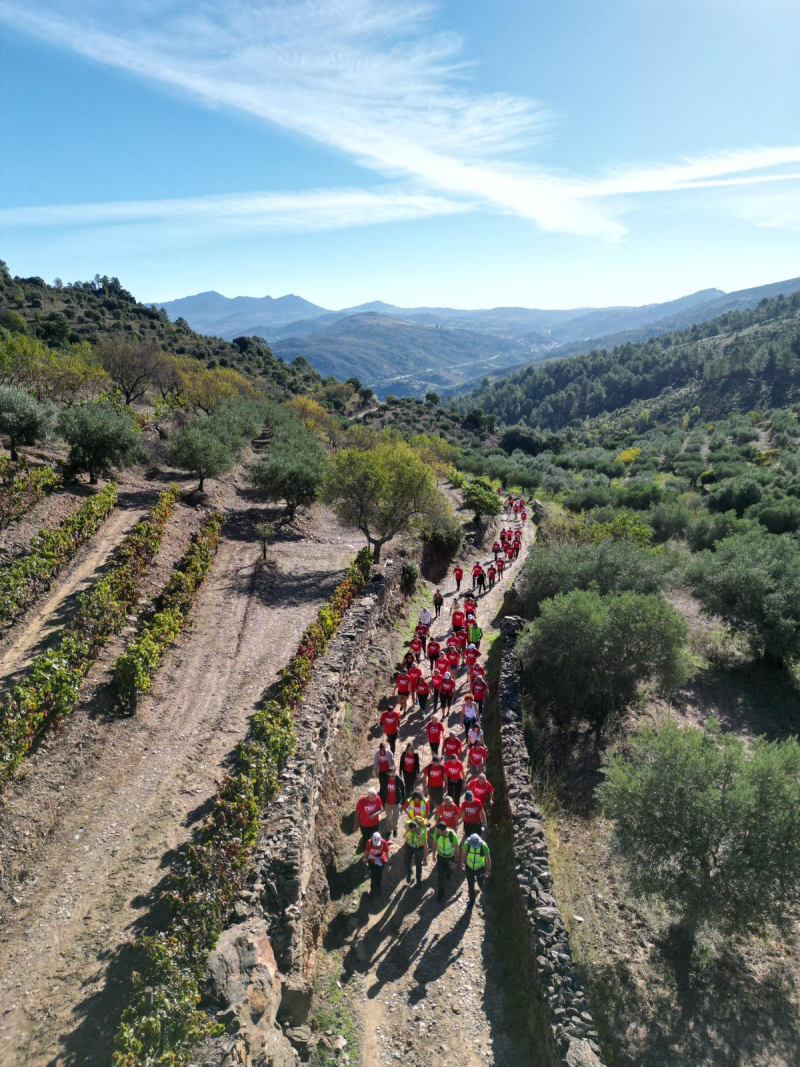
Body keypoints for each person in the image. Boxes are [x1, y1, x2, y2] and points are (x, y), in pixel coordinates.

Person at [460, 832, 491, 907]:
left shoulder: (483, 846)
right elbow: (463, 853)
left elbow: (488, 858)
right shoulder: (467, 844)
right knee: (470, 885)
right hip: (469, 867)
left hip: (480, 868)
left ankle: (481, 884)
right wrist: (462, 863)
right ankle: (471, 902)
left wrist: (488, 870)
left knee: (480, 882)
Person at [432, 820, 460, 901]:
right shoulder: (437, 834)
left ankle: (448, 873)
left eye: (438, 831)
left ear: (443, 830)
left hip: (450, 857)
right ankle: (441, 894)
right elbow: (434, 844)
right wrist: (433, 855)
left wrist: (455, 862)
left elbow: (456, 849)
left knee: (450, 870)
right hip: (440, 857)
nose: (437, 832)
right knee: (440, 876)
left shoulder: (452, 835)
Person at [404, 816, 428, 886]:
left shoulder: (421, 833)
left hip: (418, 848)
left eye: (412, 830)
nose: (410, 831)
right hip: (409, 845)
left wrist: (425, 858)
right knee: (406, 861)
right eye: (409, 830)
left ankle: (418, 880)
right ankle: (409, 872)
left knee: (418, 864)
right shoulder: (407, 826)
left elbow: (425, 846)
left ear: (416, 828)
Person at [364, 830, 390, 897]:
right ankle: (373, 888)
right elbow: (366, 851)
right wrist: (365, 859)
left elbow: (387, 853)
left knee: (379, 875)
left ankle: (378, 887)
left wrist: (389, 864)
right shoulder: (369, 842)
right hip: (372, 861)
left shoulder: (383, 842)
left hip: (381, 862)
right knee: (373, 875)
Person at [383, 769, 406, 838]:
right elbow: (382, 789)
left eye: (391, 772)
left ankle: (395, 829)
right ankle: (389, 831)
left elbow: (402, 789)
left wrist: (403, 800)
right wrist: (382, 800)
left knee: (396, 817)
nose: (390, 773)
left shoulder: (398, 779)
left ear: (394, 772)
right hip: (388, 802)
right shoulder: (385, 779)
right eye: (389, 772)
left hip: (396, 802)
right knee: (388, 817)